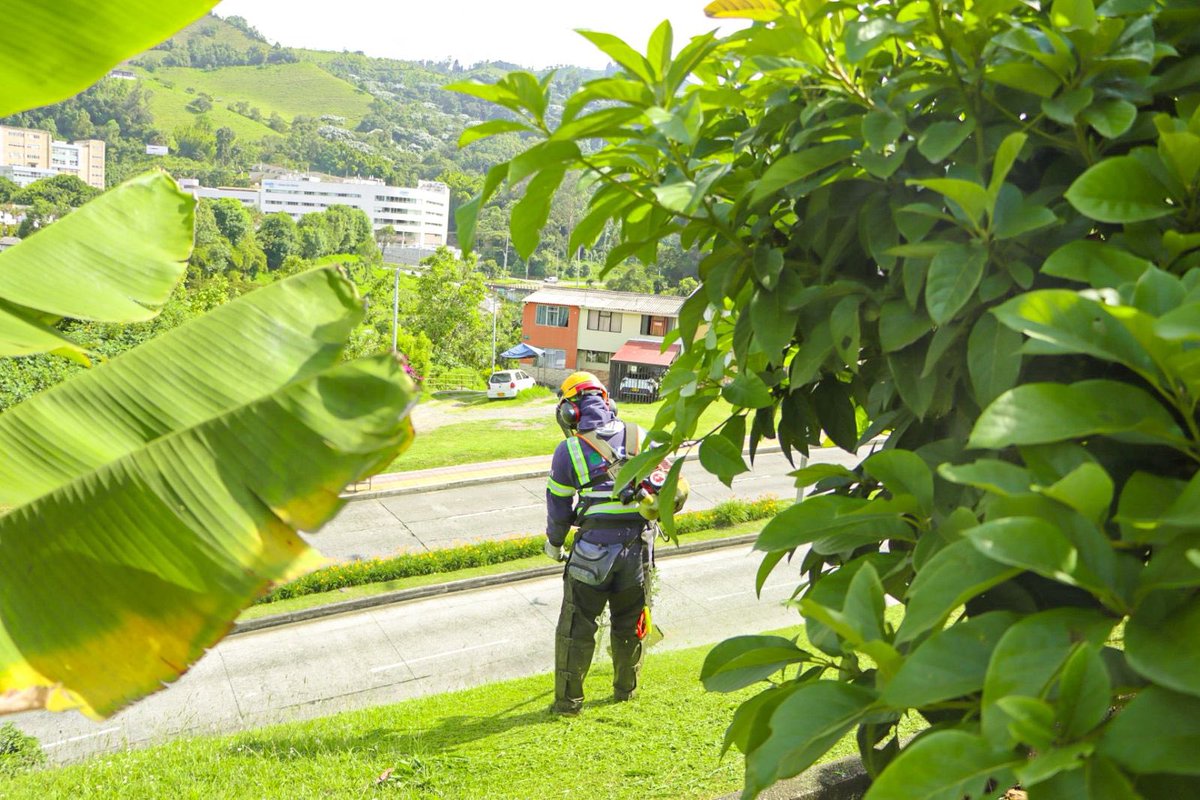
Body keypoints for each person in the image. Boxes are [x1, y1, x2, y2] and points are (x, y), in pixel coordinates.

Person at [543, 371, 651, 716]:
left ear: (570, 411)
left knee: (576, 629)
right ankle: (625, 691)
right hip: (637, 552)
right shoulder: (639, 436)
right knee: (630, 624)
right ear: (608, 403)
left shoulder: (569, 450)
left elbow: (559, 509)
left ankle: (568, 703)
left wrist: (554, 544)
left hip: (591, 553)